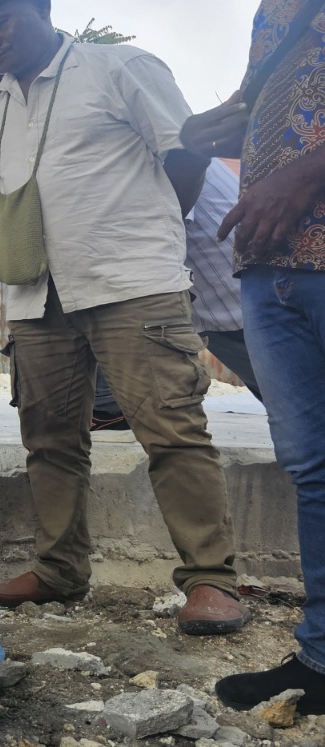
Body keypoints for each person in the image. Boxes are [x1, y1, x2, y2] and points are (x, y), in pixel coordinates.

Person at [0, 0, 250, 635]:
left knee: (171, 432)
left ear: (38, 8)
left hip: (132, 285)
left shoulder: (119, 67)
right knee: (50, 442)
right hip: (37, 298)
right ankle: (59, 571)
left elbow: (184, 161)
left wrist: (148, 243)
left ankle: (210, 581)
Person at [194, 0, 325, 715]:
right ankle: (323, 655)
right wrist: (221, 126)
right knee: (313, 468)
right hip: (268, 263)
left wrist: (309, 172)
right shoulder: (274, 11)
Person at [93, 161, 264, 430]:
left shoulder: (155, 149)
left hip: (238, 301)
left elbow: (174, 191)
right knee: (301, 421)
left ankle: (106, 407)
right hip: (226, 303)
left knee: (305, 418)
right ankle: (106, 406)